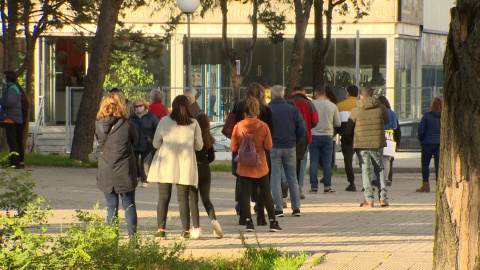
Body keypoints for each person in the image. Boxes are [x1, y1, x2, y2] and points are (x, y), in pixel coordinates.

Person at [147, 95, 203, 239]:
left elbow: (155, 143)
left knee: (163, 198)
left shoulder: (165, 121)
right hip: (185, 164)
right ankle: (185, 231)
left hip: (166, 163)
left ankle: (161, 230)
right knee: (183, 199)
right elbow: (199, 146)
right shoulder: (194, 123)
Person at [231, 96, 281, 232]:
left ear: (244, 112)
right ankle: (273, 222)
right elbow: (269, 146)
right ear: (257, 112)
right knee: (266, 193)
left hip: (243, 166)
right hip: (260, 165)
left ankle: (248, 222)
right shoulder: (263, 126)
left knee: (245, 194)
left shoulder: (238, 126)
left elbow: (234, 147)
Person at [95, 92, 139, 241]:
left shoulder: (98, 124)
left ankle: (113, 241)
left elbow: (100, 142)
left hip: (106, 169)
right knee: (129, 205)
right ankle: (133, 241)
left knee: (111, 206)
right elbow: (135, 140)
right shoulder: (127, 124)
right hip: (124, 169)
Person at [346, 87, 389, 207]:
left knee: (365, 170)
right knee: (379, 169)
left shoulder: (356, 109)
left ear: (361, 96)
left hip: (361, 143)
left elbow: (350, 126)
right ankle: (383, 198)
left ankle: (369, 199)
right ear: (372, 95)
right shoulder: (381, 107)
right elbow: (386, 120)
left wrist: (349, 138)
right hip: (377, 142)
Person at [268, 85, 305, 217]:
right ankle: (296, 208)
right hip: (290, 147)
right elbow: (302, 129)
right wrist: (294, 142)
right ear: (283, 95)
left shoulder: (267, 109)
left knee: (275, 177)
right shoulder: (293, 109)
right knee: (292, 178)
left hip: (273, 147)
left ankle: (278, 208)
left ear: (272, 95)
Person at [189, 113, 223, 239]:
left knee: (193, 200)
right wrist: (205, 163)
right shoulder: (208, 138)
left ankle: (196, 229)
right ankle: (214, 221)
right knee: (206, 199)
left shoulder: (193, 137)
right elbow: (212, 157)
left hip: (194, 168)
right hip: (205, 169)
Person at [287, 85, 319, 199]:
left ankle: (286, 186)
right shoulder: (309, 103)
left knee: (287, 164)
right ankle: (298, 191)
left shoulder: (288, 102)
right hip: (305, 138)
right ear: (303, 92)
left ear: (293, 92)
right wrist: (308, 126)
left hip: (289, 138)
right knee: (301, 164)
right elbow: (315, 120)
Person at [309, 86, 341, 194]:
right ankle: (327, 186)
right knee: (327, 162)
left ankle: (314, 187)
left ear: (316, 93)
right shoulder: (332, 106)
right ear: (325, 94)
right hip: (327, 136)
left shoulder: (311, 104)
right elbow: (338, 123)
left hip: (313, 135)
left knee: (313, 161)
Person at [129, 98, 158, 187]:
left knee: (145, 163)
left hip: (147, 143)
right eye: (136, 106)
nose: (138, 108)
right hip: (134, 143)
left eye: (140, 106)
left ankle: (144, 180)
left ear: (145, 106)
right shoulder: (131, 117)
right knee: (133, 161)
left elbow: (157, 128)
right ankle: (137, 175)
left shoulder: (151, 116)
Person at [416, 97, 442, 193]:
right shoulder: (443, 116)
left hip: (427, 143)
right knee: (439, 165)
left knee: (425, 165)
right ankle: (439, 185)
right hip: (439, 143)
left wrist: (421, 139)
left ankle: (425, 185)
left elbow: (421, 130)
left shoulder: (426, 116)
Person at [0, 71, 25, 169]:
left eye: (4, 77)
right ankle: (15, 160)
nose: (3, 79)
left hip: (11, 119)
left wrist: (1, 100)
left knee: (12, 141)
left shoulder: (12, 89)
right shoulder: (14, 88)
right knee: (14, 140)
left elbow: (8, 102)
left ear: (8, 78)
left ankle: (14, 161)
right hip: (13, 117)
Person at [336, 85, 359, 191]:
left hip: (345, 137)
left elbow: (336, 124)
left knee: (348, 160)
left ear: (348, 93)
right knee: (364, 160)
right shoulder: (360, 105)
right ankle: (366, 184)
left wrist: (340, 133)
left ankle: (351, 183)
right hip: (359, 136)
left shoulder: (339, 106)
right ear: (357, 94)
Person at [377, 96, 398, 187]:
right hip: (389, 136)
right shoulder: (392, 113)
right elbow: (395, 126)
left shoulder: (377, 111)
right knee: (386, 160)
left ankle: (376, 178)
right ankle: (385, 178)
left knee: (376, 159)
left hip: (379, 134)